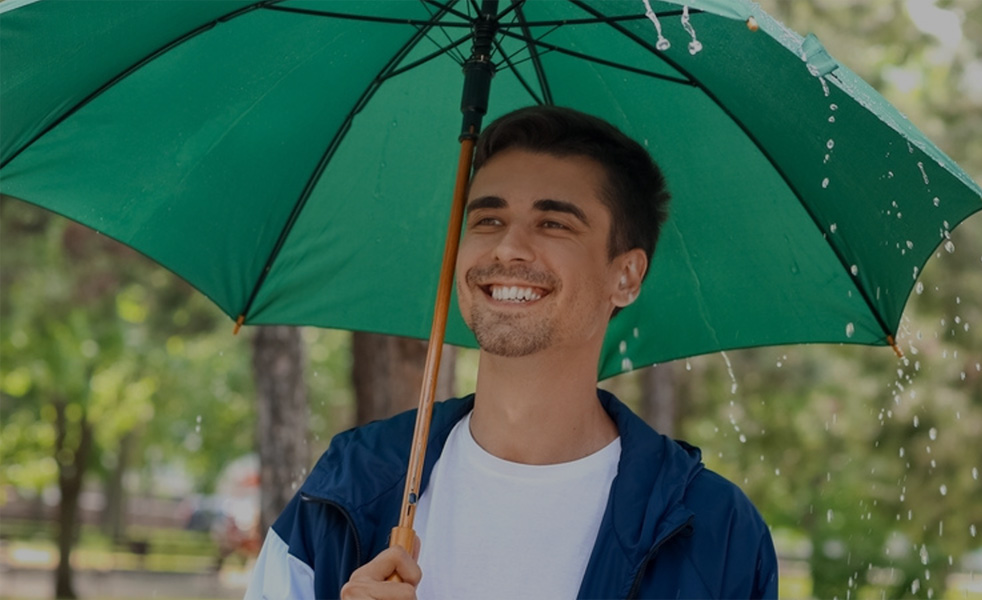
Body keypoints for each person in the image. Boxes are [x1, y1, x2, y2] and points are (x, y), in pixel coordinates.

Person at [243, 106, 778, 600]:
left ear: (627, 274)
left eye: (553, 223)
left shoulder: (716, 530)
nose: (507, 248)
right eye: (488, 220)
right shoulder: (350, 482)